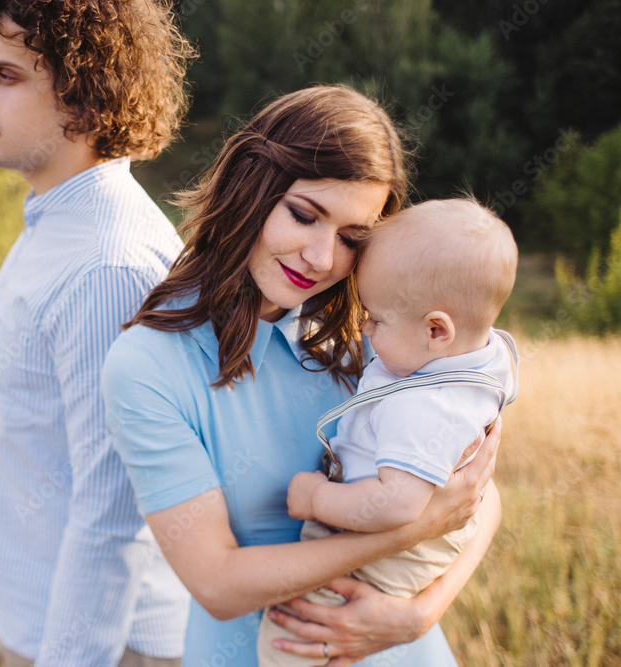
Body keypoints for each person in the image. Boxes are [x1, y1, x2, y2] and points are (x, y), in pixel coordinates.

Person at [101, 86, 502, 666]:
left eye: (351, 238)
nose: (321, 257)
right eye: (304, 215)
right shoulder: (149, 366)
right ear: (250, 188)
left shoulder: (377, 336)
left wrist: (422, 611)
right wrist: (407, 530)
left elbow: (478, 491)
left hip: (403, 648)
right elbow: (217, 582)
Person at [0, 0, 196, 665]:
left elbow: (114, 511)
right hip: (42, 622)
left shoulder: (106, 264)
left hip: (96, 644)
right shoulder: (60, 219)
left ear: (86, 96)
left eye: (6, 76)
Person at [257, 198, 520, 666]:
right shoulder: (479, 354)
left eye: (376, 318)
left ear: (436, 331)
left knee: (293, 638)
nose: (364, 326)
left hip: (384, 556)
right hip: (434, 531)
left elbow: (397, 505)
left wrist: (317, 499)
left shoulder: (421, 405)